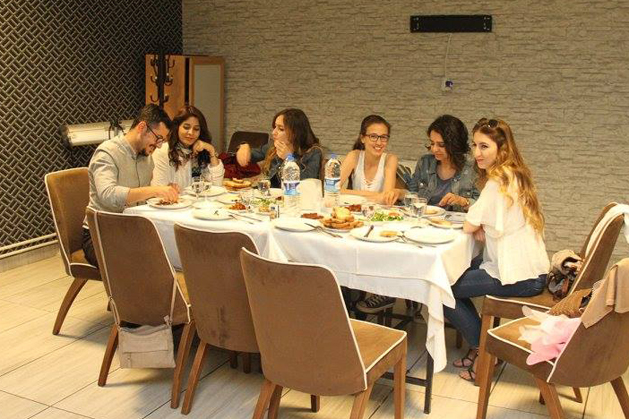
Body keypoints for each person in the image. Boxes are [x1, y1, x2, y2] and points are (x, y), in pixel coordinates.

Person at [446, 118, 550, 382]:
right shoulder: (514, 174)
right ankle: (482, 348)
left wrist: (478, 224)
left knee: (441, 288)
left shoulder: (498, 180)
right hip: (531, 270)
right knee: (458, 270)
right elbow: (484, 220)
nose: (477, 153)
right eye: (475, 145)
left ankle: (485, 352)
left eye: (484, 146)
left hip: (519, 276)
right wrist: (481, 224)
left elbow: (469, 225)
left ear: (501, 149)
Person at [82, 104, 178, 267]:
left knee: (171, 250)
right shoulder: (107, 152)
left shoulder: (147, 159)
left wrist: (163, 194)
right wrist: (154, 190)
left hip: (131, 230)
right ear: (142, 127)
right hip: (100, 234)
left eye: (162, 140)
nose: (159, 145)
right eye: (158, 138)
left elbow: (142, 198)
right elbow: (108, 195)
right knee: (142, 262)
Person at [404, 115, 479, 211]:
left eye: (441, 145)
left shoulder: (473, 168)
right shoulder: (425, 163)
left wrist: (463, 201)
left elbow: (482, 206)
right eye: (432, 143)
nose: (434, 149)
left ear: (455, 145)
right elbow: (412, 193)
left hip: (457, 220)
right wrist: (401, 193)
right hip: (425, 218)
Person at [235, 108, 322, 187]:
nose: (273, 132)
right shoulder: (273, 146)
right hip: (270, 195)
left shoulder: (314, 152)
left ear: (296, 133)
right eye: (275, 127)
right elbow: (252, 156)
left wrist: (288, 159)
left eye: (281, 129)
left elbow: (307, 184)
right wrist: (244, 147)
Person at [151, 105, 224, 189]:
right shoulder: (163, 151)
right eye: (186, 127)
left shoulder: (199, 151)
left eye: (196, 129)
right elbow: (158, 189)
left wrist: (211, 150)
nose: (191, 132)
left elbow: (217, 185)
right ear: (177, 127)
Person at [338, 115, 400, 205]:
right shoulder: (354, 156)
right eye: (373, 136)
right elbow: (332, 189)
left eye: (383, 137)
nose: (379, 142)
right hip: (355, 210)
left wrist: (350, 194)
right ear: (362, 138)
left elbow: (386, 198)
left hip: (380, 212)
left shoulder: (390, 159)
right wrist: (376, 195)